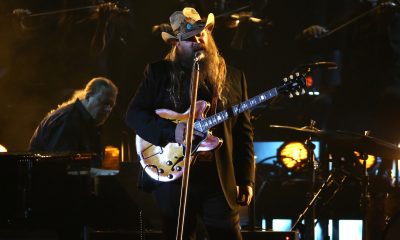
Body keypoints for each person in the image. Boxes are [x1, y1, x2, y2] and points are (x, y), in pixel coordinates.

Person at [125, 7, 255, 240]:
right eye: (188, 38)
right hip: (174, 178)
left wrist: (246, 179)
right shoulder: (159, 73)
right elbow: (134, 115)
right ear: (177, 44)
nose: (197, 40)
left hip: (218, 180)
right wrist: (171, 131)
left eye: (201, 33)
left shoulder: (234, 77)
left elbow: (244, 134)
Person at [29, 76, 118, 240]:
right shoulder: (67, 121)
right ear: (88, 96)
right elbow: (59, 168)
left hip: (65, 204)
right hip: (55, 207)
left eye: (111, 105)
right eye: (104, 103)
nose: (108, 110)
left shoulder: (86, 122)